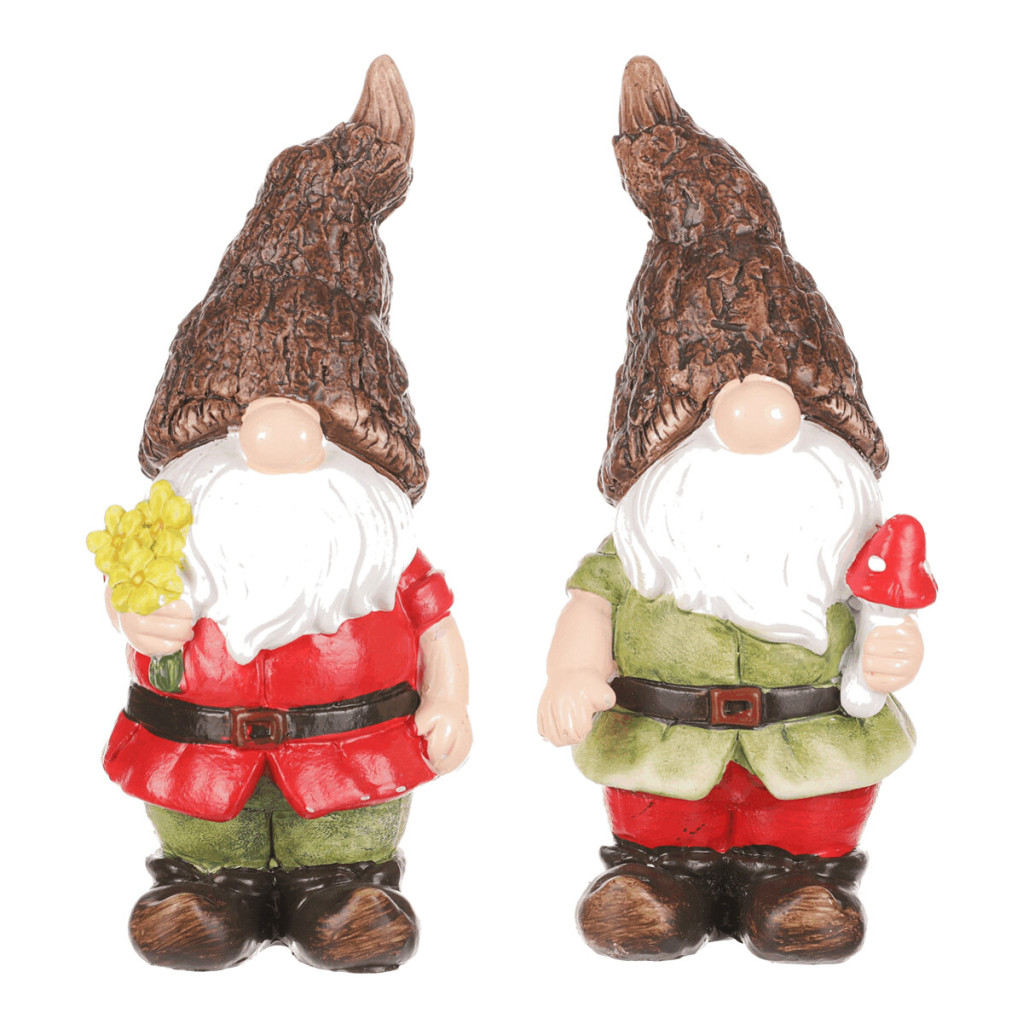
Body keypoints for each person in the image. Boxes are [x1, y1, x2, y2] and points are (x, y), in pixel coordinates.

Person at [538, 57, 924, 964]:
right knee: (658, 823)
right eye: (712, 417)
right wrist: (571, 673)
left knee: (809, 825)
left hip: (813, 745)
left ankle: (800, 884)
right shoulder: (639, 551)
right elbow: (588, 607)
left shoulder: (849, 544)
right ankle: (658, 879)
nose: (757, 425)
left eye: (794, 413)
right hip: (663, 747)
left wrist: (896, 651)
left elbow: (888, 614)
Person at [99, 57, 471, 972]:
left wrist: (449, 699)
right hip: (197, 759)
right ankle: (205, 890)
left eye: (314, 422)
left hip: (352, 753)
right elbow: (128, 602)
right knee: (204, 838)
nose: (274, 441)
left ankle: (342, 893)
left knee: (343, 844)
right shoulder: (173, 535)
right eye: (241, 422)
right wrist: (133, 614)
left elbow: (435, 626)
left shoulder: (377, 550)